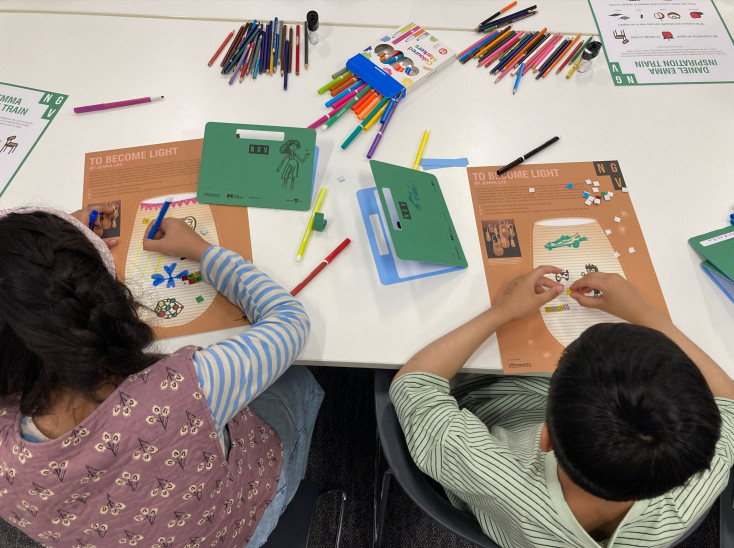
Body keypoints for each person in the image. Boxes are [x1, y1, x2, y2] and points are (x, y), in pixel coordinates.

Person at [0, 206, 323, 547]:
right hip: (241, 521)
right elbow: (290, 321)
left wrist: (46, 264)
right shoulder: (192, 386)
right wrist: (204, 253)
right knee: (297, 379)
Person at [391, 265, 734, 548]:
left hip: (490, 398)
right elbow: (729, 403)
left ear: (546, 439)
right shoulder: (693, 480)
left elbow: (414, 384)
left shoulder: (491, 472)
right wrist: (645, 312)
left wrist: (504, 311)